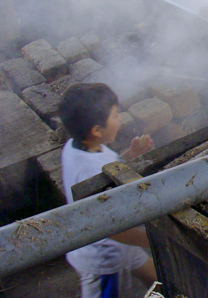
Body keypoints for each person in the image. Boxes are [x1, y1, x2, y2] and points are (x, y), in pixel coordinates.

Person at [60, 83, 156, 298]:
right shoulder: (88, 169)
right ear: (96, 130)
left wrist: (130, 154)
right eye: (115, 115)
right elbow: (110, 228)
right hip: (103, 254)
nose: (120, 118)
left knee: (154, 274)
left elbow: (106, 172)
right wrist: (152, 239)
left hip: (120, 244)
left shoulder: (78, 146)